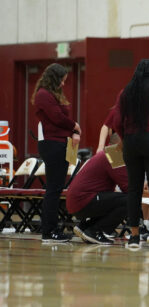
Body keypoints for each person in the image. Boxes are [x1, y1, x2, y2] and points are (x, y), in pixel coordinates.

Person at [113, 59, 149, 249]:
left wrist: (125, 137)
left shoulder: (125, 92)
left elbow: (116, 122)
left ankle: (133, 236)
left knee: (134, 188)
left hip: (131, 141)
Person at [32, 63, 81, 243]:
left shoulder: (50, 94)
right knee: (53, 189)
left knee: (56, 188)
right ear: (53, 78)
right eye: (61, 80)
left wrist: (73, 132)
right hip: (52, 144)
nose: (62, 84)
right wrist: (74, 125)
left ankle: (52, 228)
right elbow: (57, 118)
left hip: (60, 143)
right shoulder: (43, 95)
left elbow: (60, 120)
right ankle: (49, 231)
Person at [67, 134, 127, 245]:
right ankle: (95, 231)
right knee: (130, 200)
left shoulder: (107, 153)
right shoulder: (114, 153)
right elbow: (128, 188)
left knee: (114, 199)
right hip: (83, 201)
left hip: (76, 201)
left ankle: (85, 227)